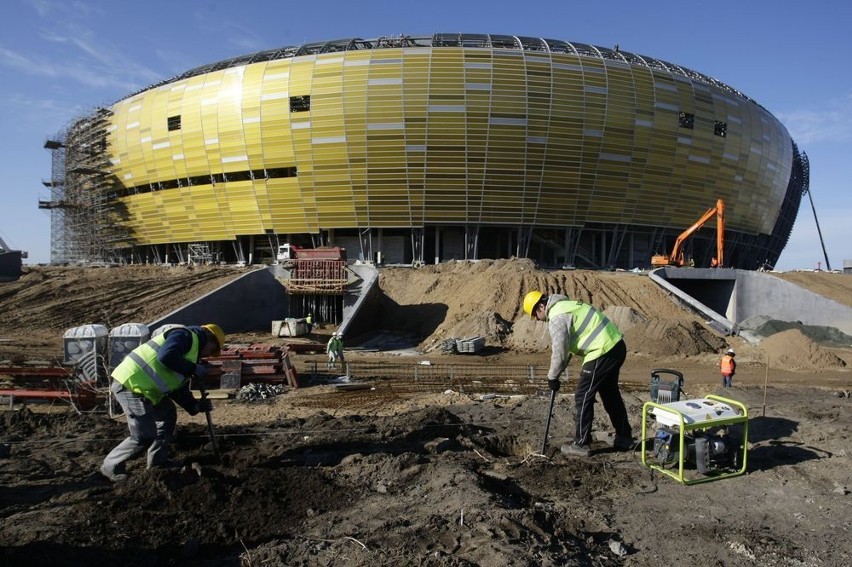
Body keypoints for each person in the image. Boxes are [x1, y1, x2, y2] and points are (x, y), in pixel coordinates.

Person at [100, 323, 226, 482]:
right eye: (212, 350)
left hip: (148, 390)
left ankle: (157, 461)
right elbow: (166, 356)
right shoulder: (185, 336)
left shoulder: (190, 354)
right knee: (144, 435)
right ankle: (111, 465)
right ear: (210, 340)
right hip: (130, 384)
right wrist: (192, 368)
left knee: (167, 415)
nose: (208, 355)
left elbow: (176, 386)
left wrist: (195, 405)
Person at [523, 290, 632, 457]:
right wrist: (556, 374)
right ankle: (624, 437)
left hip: (601, 351)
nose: (537, 319)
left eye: (535, 314)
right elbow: (567, 351)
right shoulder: (567, 306)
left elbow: (559, 351)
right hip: (615, 346)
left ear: (542, 306)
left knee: (583, 395)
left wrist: (552, 377)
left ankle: (581, 443)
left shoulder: (557, 317)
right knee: (610, 394)